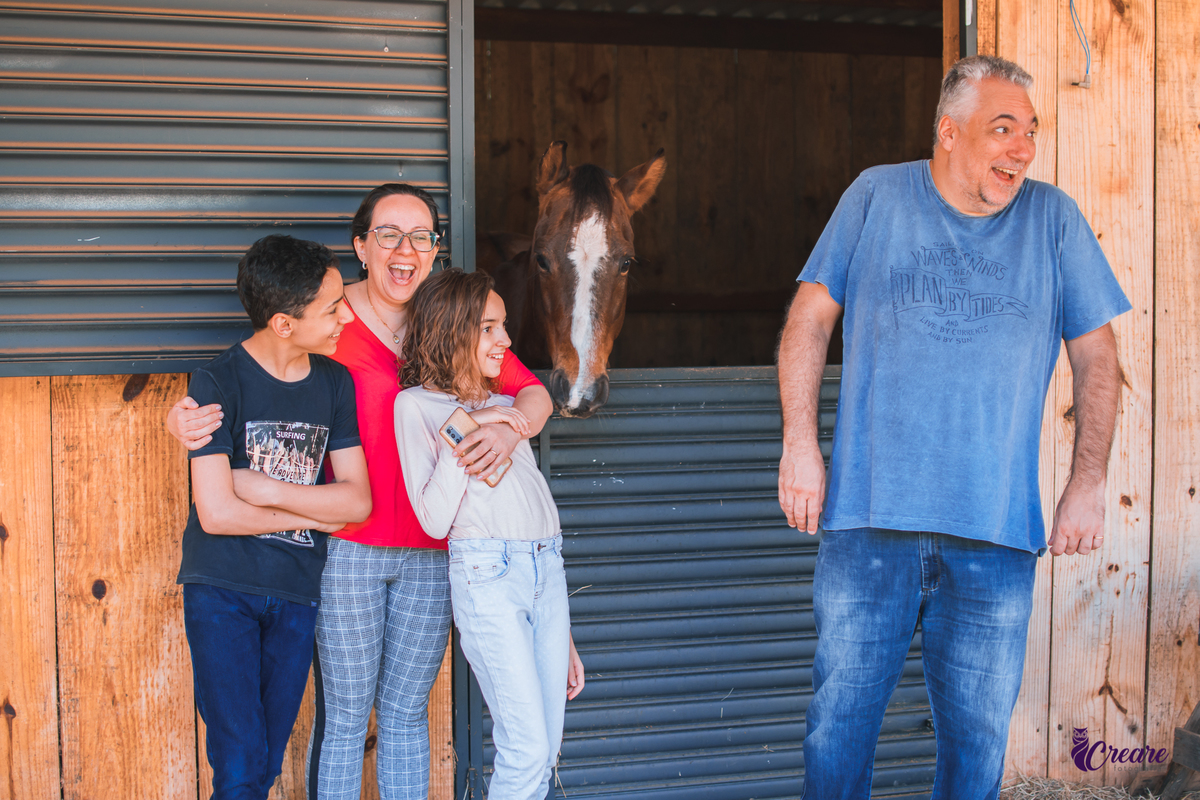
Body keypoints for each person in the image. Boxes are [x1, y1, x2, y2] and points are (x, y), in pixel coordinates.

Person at [776, 55, 1130, 799]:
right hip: (870, 522)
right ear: (949, 132)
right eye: (1003, 129)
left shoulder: (1054, 219)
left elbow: (1099, 358)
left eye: (1029, 132)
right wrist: (801, 446)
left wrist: (1088, 483)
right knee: (837, 734)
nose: (1022, 148)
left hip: (996, 533)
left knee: (975, 753)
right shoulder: (876, 196)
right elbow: (810, 318)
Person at [167, 184, 571, 800]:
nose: (405, 250)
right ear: (361, 246)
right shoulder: (329, 320)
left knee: (407, 717)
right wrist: (184, 419)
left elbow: (528, 391)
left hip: (437, 552)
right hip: (349, 548)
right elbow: (252, 371)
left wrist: (514, 431)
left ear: (436, 250)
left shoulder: (452, 323)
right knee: (347, 718)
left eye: (421, 236)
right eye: (388, 235)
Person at [178, 234, 371, 800]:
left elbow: (357, 501)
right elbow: (215, 514)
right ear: (284, 323)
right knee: (240, 765)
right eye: (333, 308)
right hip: (222, 591)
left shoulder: (335, 383)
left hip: (295, 592)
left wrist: (263, 489)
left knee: (261, 765)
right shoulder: (218, 382)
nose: (346, 317)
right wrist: (316, 513)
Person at [395, 268, 583, 800]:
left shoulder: (503, 403)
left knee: (545, 752)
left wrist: (560, 629)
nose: (505, 340)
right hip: (488, 574)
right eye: (489, 327)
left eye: (503, 326)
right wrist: (465, 432)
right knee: (525, 751)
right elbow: (432, 519)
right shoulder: (416, 407)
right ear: (452, 330)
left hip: (544, 570)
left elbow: (527, 501)